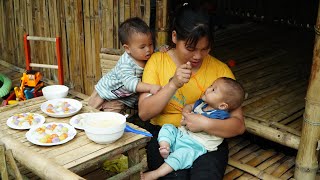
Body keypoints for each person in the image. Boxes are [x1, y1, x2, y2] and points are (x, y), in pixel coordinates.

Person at [138, 4, 245, 180]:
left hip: (206, 141)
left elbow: (239, 126)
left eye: (205, 49)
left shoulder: (220, 71)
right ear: (174, 37)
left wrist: (205, 124)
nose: (198, 56)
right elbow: (144, 113)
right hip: (166, 136)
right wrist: (172, 84)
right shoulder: (158, 62)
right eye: (191, 48)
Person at [141, 77, 245, 180]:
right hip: (182, 134)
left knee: (180, 157)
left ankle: (156, 173)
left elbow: (237, 125)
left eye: (213, 90)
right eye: (211, 86)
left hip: (194, 145)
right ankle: (165, 146)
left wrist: (203, 123)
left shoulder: (219, 115)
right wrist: (186, 111)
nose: (208, 89)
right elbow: (189, 106)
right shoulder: (202, 104)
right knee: (167, 127)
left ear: (222, 106)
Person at [88, 17, 161, 112]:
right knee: (90, 112)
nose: (148, 49)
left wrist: (161, 50)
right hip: (105, 91)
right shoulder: (125, 64)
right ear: (127, 49)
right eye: (142, 47)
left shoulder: (148, 55)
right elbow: (130, 83)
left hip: (120, 98)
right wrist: (150, 87)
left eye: (150, 44)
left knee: (111, 119)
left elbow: (156, 52)